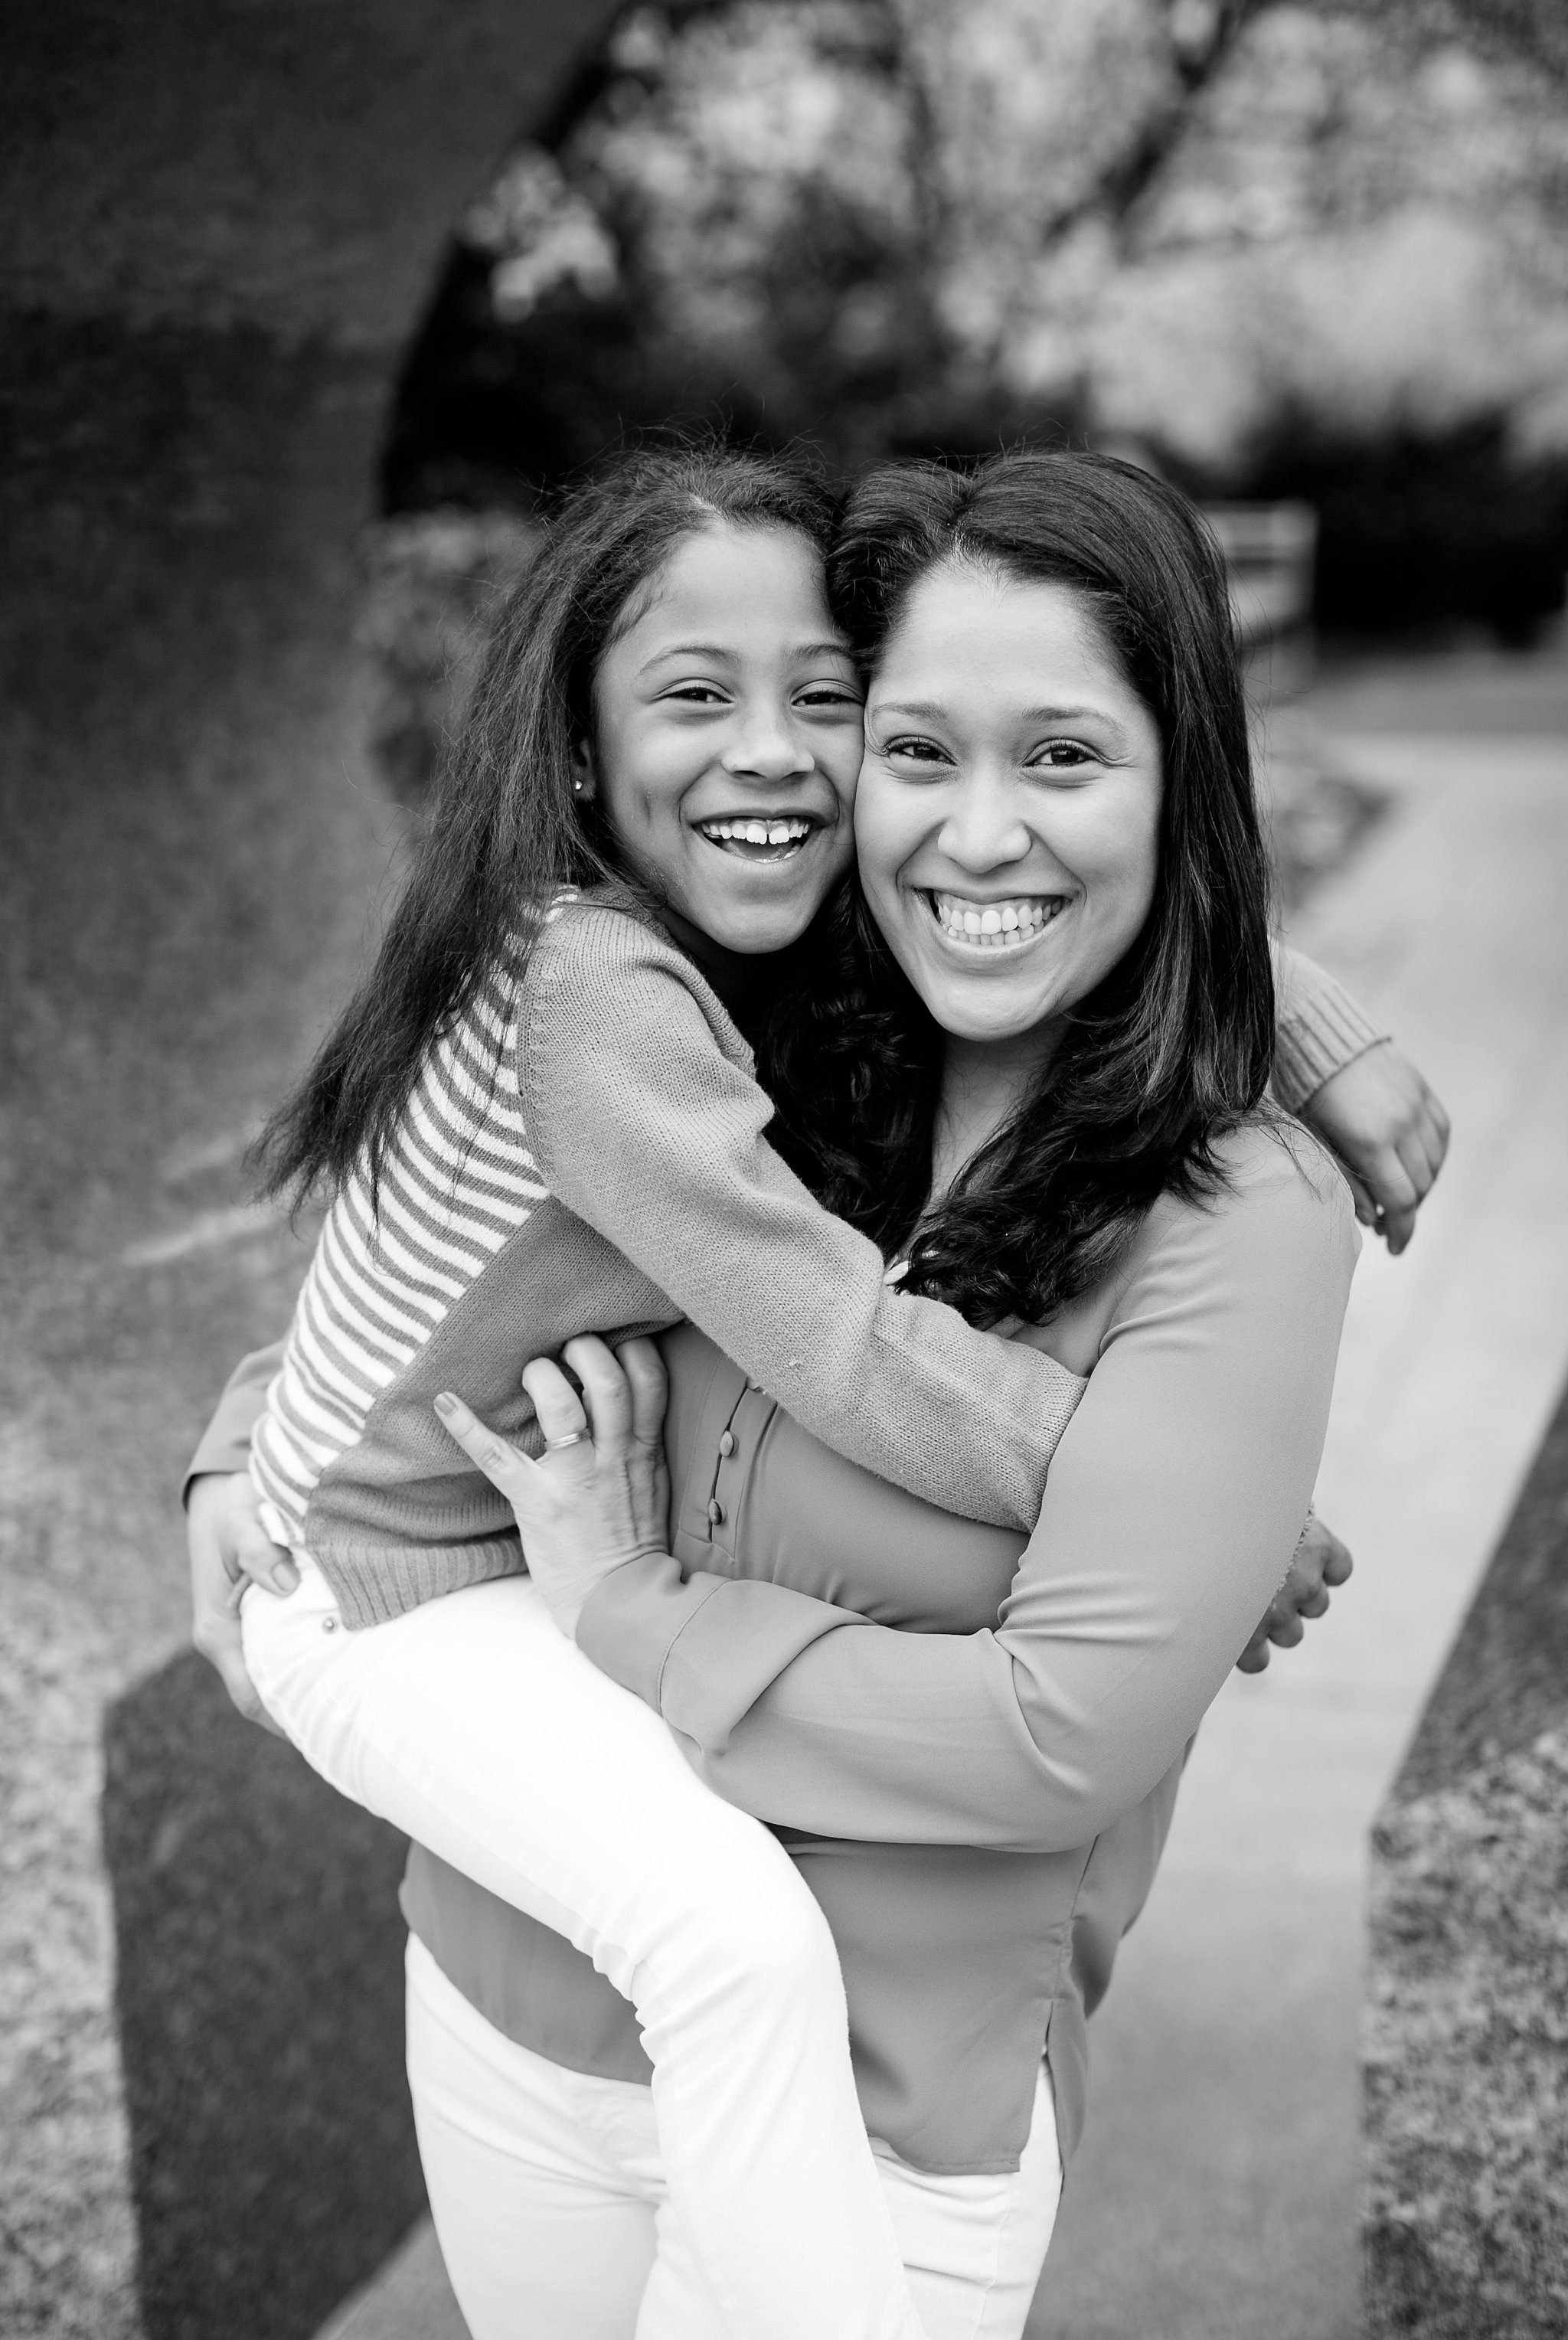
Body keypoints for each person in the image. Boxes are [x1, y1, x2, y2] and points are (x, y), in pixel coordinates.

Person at [188, 449, 1447, 2338]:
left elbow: (1056, 1738)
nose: (972, 828)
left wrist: (633, 1610)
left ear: (1182, 776)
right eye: (918, 750)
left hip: (880, 2103)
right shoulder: (768, 1016)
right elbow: (458, 1258)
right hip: (518, 1996)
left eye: (1068, 757)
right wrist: (243, 1456)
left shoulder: (1234, 1213)